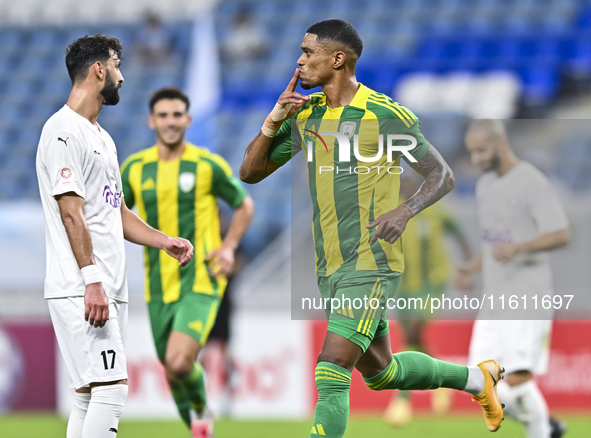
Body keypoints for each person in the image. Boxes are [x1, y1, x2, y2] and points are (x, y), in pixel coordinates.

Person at [240, 19, 505, 438]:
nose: (300, 60)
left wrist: (406, 209)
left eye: (309, 52)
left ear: (338, 59)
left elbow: (443, 175)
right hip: (330, 266)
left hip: (371, 262)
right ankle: (477, 380)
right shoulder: (306, 117)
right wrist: (273, 118)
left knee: (331, 368)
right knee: (382, 372)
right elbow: (250, 172)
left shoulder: (384, 115)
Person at [36, 35, 193, 438]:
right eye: (117, 66)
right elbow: (71, 215)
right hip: (82, 286)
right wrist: (92, 282)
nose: (122, 77)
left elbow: (115, 211)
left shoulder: (101, 137)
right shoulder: (62, 132)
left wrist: (163, 241)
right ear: (99, 70)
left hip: (104, 286)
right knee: (112, 389)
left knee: (89, 393)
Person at [120, 87, 254, 438]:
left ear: (188, 120)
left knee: (180, 362)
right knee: (172, 370)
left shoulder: (207, 165)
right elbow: (113, 214)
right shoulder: (134, 168)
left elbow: (245, 205)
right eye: (163, 115)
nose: (170, 121)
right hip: (157, 286)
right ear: (151, 121)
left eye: (177, 114)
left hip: (201, 280)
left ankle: (202, 409)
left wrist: (228, 247)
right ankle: (200, 425)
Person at [456, 120, 570, 438]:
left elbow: (561, 233)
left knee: (517, 380)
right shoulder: (485, 186)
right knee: (477, 382)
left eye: (481, 151)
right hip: (495, 297)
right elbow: (494, 241)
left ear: (501, 143)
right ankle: (546, 426)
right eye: (472, 152)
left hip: (528, 294)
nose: (476, 159)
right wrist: (473, 266)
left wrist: (520, 247)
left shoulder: (531, 181)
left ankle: (541, 431)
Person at [384, 173, 471, 426]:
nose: (405, 186)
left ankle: (402, 400)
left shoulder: (435, 211)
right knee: (413, 338)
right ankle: (443, 380)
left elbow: (458, 232)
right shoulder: (391, 213)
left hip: (432, 283)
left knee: (412, 332)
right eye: (401, 183)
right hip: (403, 286)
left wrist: (465, 267)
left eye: (409, 182)